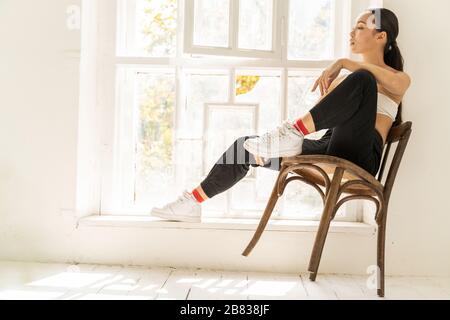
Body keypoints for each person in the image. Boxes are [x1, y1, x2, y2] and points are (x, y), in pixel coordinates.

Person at [150, 8, 411, 223]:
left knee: (362, 78)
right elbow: (326, 118)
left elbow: (388, 83)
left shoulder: (397, 80)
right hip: (331, 145)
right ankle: (193, 202)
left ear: (381, 37)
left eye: (361, 27)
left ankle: (294, 132)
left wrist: (343, 62)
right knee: (245, 147)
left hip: (361, 156)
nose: (352, 32)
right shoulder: (345, 81)